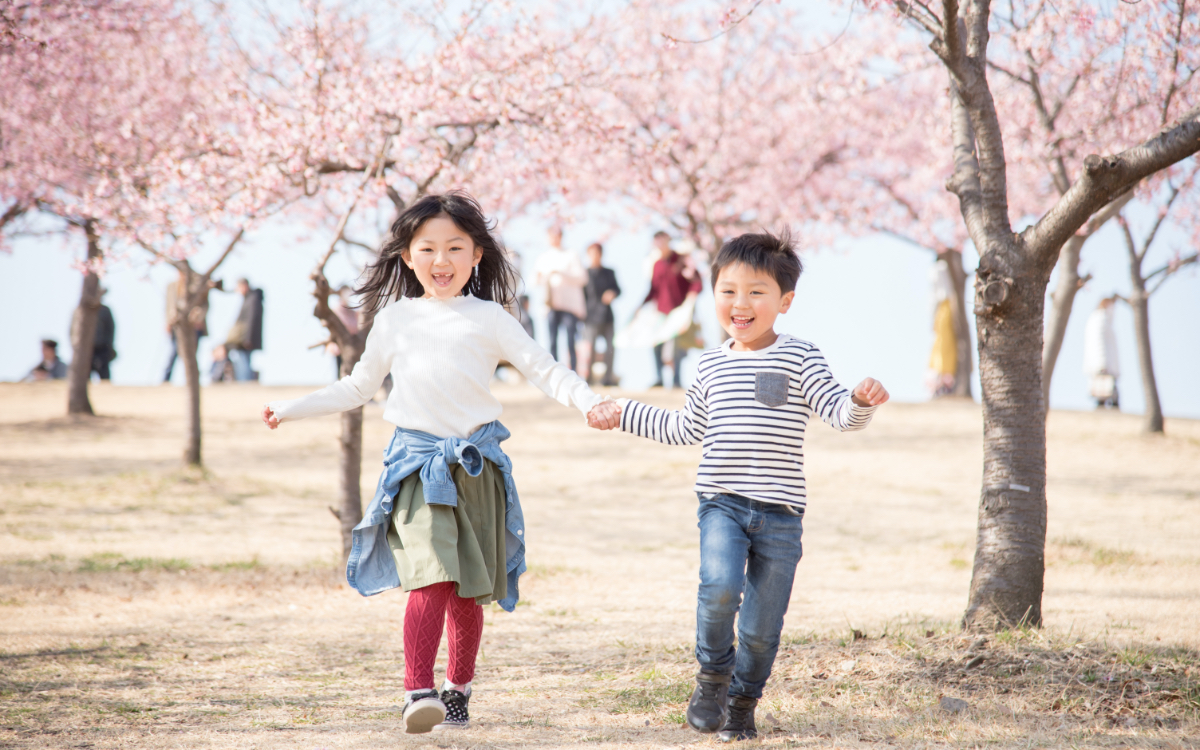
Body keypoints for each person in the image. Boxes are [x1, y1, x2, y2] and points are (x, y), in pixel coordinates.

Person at [260, 192, 620, 734]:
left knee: (469, 591)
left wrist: (590, 401)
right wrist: (290, 409)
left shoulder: (491, 318)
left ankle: (458, 689)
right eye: (427, 248)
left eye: (456, 247)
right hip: (417, 469)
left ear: (477, 255)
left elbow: (545, 370)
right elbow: (358, 386)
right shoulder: (395, 319)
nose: (441, 260)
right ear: (407, 256)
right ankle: (417, 692)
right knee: (429, 580)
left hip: (477, 470)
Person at [593, 231, 889, 742]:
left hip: (780, 516)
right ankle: (711, 676)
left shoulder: (799, 357)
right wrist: (624, 412)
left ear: (785, 302)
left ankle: (743, 702)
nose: (741, 303)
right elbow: (685, 427)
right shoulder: (710, 363)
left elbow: (840, 415)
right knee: (718, 588)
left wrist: (861, 400)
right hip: (721, 505)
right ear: (713, 296)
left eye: (757, 291)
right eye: (728, 290)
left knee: (759, 629)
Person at [645, 230, 702, 388]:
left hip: (678, 312)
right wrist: (642, 305)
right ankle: (659, 378)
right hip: (660, 312)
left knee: (676, 347)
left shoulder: (682, 260)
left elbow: (697, 282)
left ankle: (676, 380)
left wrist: (692, 296)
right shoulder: (657, 264)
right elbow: (653, 289)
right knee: (656, 344)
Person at [532, 226, 587, 372]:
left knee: (570, 341)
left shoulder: (572, 254)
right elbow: (535, 281)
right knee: (552, 341)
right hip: (551, 306)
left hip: (570, 306)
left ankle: (574, 374)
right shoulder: (543, 258)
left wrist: (561, 274)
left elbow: (582, 278)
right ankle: (555, 375)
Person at [163, 272, 216, 383]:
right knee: (174, 351)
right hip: (176, 324)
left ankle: (192, 380)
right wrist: (168, 321)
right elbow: (168, 305)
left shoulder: (196, 286)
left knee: (192, 355)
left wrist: (197, 318)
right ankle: (166, 379)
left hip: (193, 326)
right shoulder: (172, 286)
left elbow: (204, 304)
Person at [580, 242, 621, 385]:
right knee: (589, 349)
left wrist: (612, 293)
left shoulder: (609, 273)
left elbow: (618, 289)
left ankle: (607, 378)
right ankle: (589, 379)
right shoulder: (583, 274)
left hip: (607, 317)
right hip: (590, 318)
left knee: (610, 348)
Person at [1083, 296, 1120, 409]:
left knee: (1104, 389)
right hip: (1102, 362)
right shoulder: (1100, 320)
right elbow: (1099, 344)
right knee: (1105, 389)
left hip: (1101, 362)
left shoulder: (1098, 319)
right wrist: (1103, 362)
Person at [928, 258, 957, 396]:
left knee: (943, 345)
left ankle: (942, 382)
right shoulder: (943, 267)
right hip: (947, 308)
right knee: (945, 346)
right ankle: (943, 382)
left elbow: (936, 296)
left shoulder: (938, 268)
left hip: (943, 309)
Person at [225, 278, 264, 381]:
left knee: (244, 361)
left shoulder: (253, 299)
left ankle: (245, 382)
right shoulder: (249, 298)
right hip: (245, 337)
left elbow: (251, 320)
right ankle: (245, 381)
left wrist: (248, 339)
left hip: (246, 337)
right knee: (243, 360)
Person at [325, 285, 360, 377]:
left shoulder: (354, 313)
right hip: (339, 348)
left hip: (353, 349)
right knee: (341, 374)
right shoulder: (336, 311)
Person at [91, 295, 117, 381]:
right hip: (86, 350)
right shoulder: (81, 311)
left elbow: (111, 329)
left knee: (104, 375)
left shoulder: (105, 311)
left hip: (103, 348)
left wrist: (108, 346)